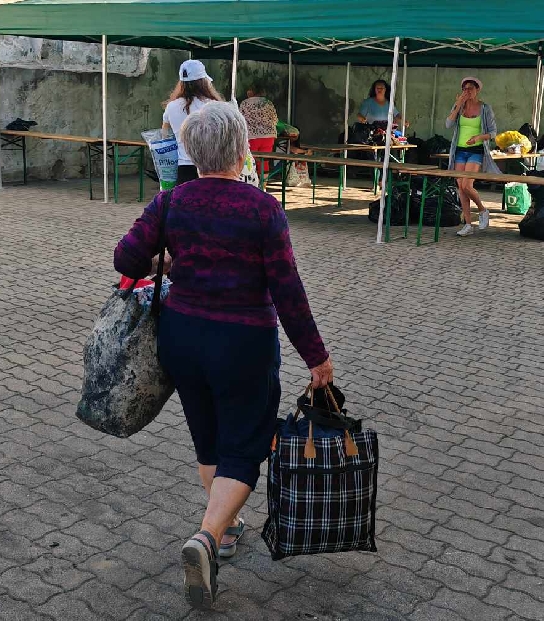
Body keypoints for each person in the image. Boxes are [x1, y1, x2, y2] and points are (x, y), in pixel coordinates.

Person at [113, 101, 334, 610]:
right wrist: (316, 357)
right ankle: (208, 538)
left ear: (191, 149)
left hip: (183, 340)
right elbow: (288, 291)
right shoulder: (262, 209)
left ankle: (227, 528)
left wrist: (162, 259)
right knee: (244, 448)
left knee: (208, 440)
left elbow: (126, 258)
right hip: (244, 345)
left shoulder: (171, 202)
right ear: (241, 151)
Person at [444, 77, 500, 237]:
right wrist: (457, 106)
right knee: (460, 187)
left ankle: (482, 210)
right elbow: (448, 124)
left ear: (477, 90)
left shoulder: (485, 108)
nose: (467, 91)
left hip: (476, 150)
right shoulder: (459, 107)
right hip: (459, 151)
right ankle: (468, 224)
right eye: (465, 89)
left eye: (470, 88)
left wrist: (478, 137)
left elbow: (493, 132)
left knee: (467, 185)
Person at [163, 59, 223, 184]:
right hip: (212, 168)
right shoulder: (214, 105)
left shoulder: (171, 106)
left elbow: (165, 134)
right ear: (204, 81)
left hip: (183, 167)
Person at [239, 85, 279, 174]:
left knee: (251, 160)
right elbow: (275, 119)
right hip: (269, 136)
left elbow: (240, 120)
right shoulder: (268, 103)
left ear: (251, 92)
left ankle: (253, 183)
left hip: (252, 136)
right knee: (264, 162)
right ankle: (263, 186)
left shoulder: (245, 103)